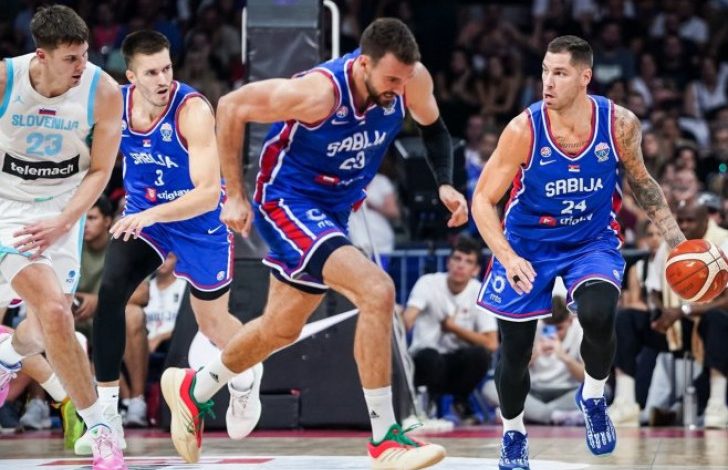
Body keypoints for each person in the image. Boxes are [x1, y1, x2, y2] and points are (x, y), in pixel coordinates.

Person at [162, 17, 468, 467]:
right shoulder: (318, 93)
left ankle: (195, 388)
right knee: (377, 290)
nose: (399, 89)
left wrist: (445, 183)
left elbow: (435, 128)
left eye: (404, 80)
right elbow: (230, 106)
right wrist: (235, 194)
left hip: (334, 211)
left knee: (280, 329)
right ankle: (386, 438)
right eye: (390, 80)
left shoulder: (410, 80)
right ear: (363, 64)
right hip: (288, 201)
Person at [471, 35, 687, 470]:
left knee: (600, 313)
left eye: (560, 73)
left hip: (591, 240)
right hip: (527, 245)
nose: (547, 82)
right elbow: (482, 199)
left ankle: (592, 395)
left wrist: (677, 241)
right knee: (515, 351)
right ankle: (513, 433)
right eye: (544, 72)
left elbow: (642, 183)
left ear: (585, 77)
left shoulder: (619, 123)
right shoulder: (523, 130)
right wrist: (508, 257)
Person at [78, 30, 262, 456]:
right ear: (131, 76)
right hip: (147, 215)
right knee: (111, 292)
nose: (163, 79)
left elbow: (208, 193)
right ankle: (107, 419)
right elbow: (90, 158)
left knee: (213, 324)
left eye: (167, 69)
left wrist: (151, 214)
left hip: (198, 220)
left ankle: (246, 377)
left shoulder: (192, 110)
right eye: (151, 72)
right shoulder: (113, 103)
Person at [0, 5, 125, 468]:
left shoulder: (102, 90)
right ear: (41, 56)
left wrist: (65, 220)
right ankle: (101, 430)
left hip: (65, 209)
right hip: (9, 207)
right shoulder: (5, 80)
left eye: (85, 54)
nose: (82, 65)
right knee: (55, 310)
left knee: (45, 328)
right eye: (71, 58)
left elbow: (101, 170)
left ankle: (7, 355)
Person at [611, 200, 728, 429]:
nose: (683, 226)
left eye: (690, 220)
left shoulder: (723, 243)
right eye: (680, 220)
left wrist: (684, 310)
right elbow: (654, 291)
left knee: (717, 321)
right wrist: (662, 311)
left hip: (709, 326)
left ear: (706, 220)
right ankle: (626, 402)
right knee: (625, 318)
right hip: (673, 325)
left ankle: (717, 405)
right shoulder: (668, 246)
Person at [403, 237, 497, 422]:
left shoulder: (480, 291)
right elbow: (408, 320)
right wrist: (399, 318)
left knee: (480, 355)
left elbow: (492, 343)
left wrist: (453, 328)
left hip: (456, 366)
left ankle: (460, 400)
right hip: (424, 361)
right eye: (457, 258)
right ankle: (427, 406)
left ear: (476, 270)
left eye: (468, 261)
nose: (460, 265)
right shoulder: (428, 283)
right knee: (430, 357)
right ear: (448, 262)